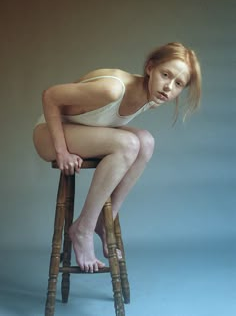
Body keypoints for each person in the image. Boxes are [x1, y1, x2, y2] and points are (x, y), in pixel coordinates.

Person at [33, 42, 201, 273]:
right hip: (50, 133)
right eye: (165, 75)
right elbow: (50, 95)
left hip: (81, 132)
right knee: (128, 143)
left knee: (146, 142)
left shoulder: (152, 98)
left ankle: (105, 220)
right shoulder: (113, 89)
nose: (168, 87)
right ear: (150, 67)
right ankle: (83, 228)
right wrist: (62, 151)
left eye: (178, 84)